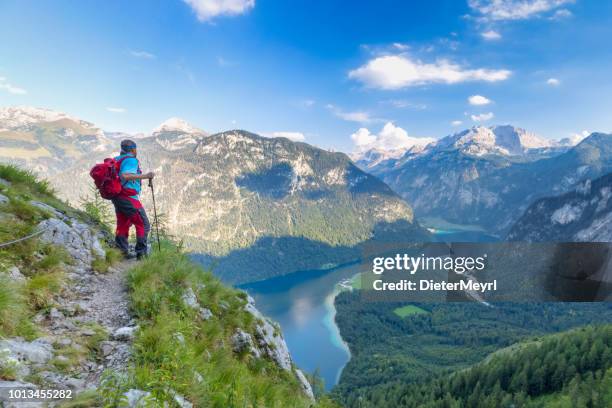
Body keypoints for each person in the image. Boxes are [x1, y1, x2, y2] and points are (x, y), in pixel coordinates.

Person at [112, 139, 154, 259]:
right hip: (128, 197)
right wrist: (146, 176)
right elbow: (125, 175)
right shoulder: (131, 159)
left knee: (123, 223)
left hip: (117, 196)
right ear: (133, 149)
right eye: (136, 149)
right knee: (143, 224)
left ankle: (121, 252)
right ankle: (141, 254)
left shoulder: (116, 159)